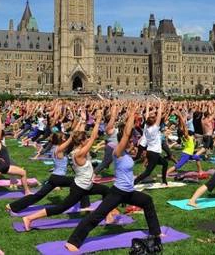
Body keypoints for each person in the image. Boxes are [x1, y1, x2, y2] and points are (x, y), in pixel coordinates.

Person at [65, 105, 162, 252]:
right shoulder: (118, 152)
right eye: (130, 142)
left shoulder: (128, 155)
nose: (132, 144)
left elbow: (130, 138)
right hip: (118, 193)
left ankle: (155, 232)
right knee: (97, 215)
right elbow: (126, 134)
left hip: (129, 192)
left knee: (147, 201)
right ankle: (73, 241)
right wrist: (131, 115)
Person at [22, 110, 111, 231]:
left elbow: (81, 135)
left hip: (86, 185)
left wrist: (82, 121)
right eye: (86, 139)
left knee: (107, 191)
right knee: (60, 208)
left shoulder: (76, 150)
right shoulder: (80, 153)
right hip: (80, 187)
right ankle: (29, 218)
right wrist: (98, 120)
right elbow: (94, 137)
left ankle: (108, 215)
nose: (88, 140)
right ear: (82, 142)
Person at [133, 101, 168, 186]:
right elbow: (159, 115)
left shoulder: (146, 126)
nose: (156, 119)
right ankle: (133, 183)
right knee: (148, 172)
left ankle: (164, 181)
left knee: (165, 163)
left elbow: (147, 117)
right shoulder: (154, 129)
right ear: (153, 123)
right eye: (154, 119)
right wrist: (160, 104)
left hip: (151, 152)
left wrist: (148, 106)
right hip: (154, 153)